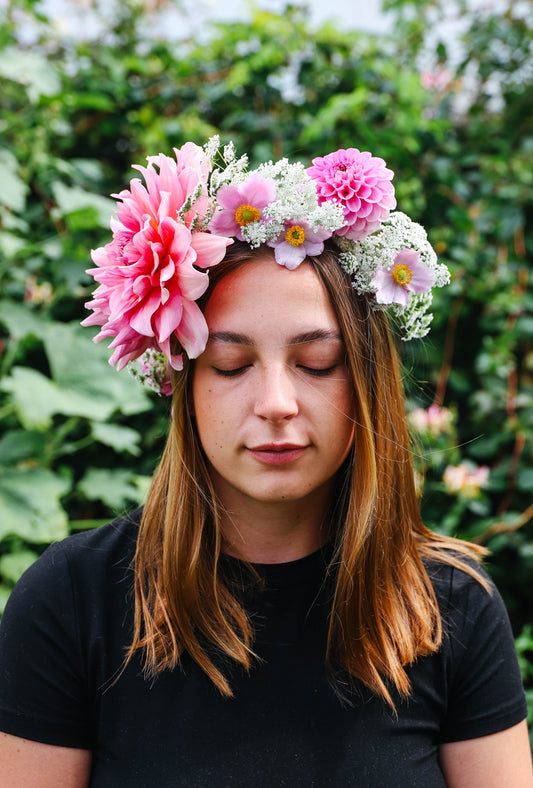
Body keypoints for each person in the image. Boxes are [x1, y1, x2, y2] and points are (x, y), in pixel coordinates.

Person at [0, 140, 531, 787]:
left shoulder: (450, 612)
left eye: (316, 364)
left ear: (365, 381)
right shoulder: (69, 602)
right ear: (185, 384)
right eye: (230, 365)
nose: (276, 403)